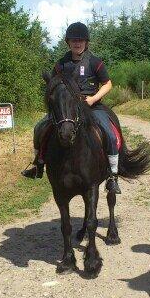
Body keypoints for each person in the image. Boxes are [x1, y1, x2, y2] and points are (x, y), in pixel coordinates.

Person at [21, 22, 122, 194]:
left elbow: (108, 84)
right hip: (67, 107)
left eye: (80, 40)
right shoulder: (61, 64)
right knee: (40, 127)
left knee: (110, 134)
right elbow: (53, 84)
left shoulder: (95, 62)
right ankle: (38, 164)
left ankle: (112, 175)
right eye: (74, 40)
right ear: (68, 42)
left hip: (92, 106)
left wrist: (93, 99)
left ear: (86, 42)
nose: (77, 43)